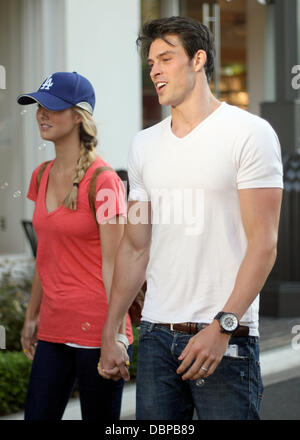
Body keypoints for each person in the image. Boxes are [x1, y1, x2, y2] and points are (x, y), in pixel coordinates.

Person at [98, 16, 283, 420]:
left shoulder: (249, 133)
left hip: (224, 341)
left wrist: (223, 327)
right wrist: (112, 330)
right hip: (156, 338)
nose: (156, 71)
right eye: (151, 63)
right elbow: (135, 247)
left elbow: (264, 245)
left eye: (166, 58)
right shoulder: (144, 144)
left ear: (198, 59)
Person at [17, 71, 133, 420]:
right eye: (39, 105)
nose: (42, 113)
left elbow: (116, 264)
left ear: (79, 116)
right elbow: (45, 256)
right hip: (54, 327)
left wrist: (114, 334)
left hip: (97, 328)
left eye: (52, 107)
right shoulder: (40, 175)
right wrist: (31, 315)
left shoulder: (105, 181)